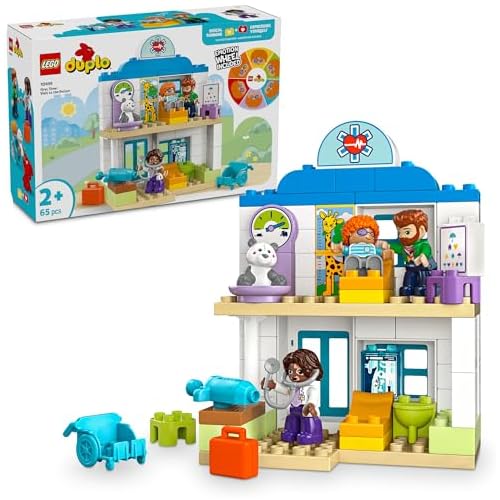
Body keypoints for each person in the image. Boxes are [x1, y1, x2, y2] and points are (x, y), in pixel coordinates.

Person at [262, 349, 324, 445]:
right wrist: (273, 385)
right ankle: (291, 433)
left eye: (300, 371)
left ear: (312, 372)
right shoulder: (293, 387)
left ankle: (310, 434)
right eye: (290, 372)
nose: (294, 376)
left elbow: (313, 397)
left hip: (305, 411)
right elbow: (286, 390)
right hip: (293, 409)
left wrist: (310, 405)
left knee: (307, 421)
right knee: (291, 420)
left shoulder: (310, 388)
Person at [390, 209, 436, 296]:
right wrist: (386, 245)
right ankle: (408, 287)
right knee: (409, 274)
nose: (402, 236)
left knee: (423, 275)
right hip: (411, 267)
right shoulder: (404, 247)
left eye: (407, 232)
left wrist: (422, 256)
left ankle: (422, 287)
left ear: (421, 230)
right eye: (400, 232)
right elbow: (395, 247)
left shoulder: (423, 245)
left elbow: (426, 251)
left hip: (423, 268)